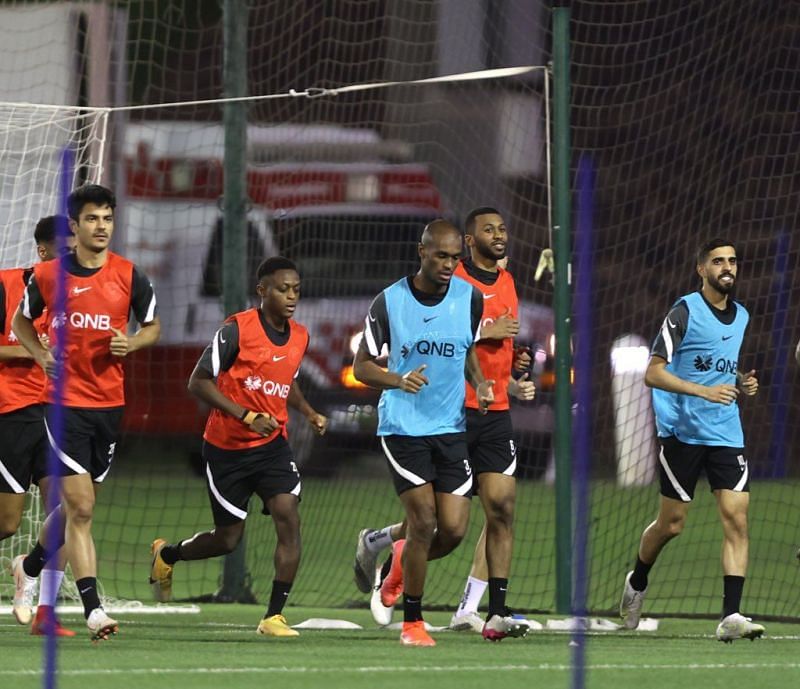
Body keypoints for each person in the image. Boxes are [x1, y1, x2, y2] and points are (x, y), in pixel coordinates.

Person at [353, 208, 535, 641]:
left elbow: (468, 349)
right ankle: (412, 623)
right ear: (422, 253)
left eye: (454, 258)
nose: (449, 265)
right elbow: (361, 366)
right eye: (441, 257)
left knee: (453, 530)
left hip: (451, 426)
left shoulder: (467, 299)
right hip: (403, 425)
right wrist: (398, 379)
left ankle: (390, 554)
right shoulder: (390, 301)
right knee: (423, 521)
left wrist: (483, 383)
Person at [12, 185, 161, 642]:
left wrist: (132, 342)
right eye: (93, 219)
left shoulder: (130, 276)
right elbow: (20, 321)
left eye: (108, 218)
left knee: (73, 507)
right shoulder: (49, 275)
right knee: (82, 507)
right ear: (74, 227)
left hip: (109, 407)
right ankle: (94, 609)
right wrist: (39, 354)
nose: (102, 227)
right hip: (64, 407)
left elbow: (152, 326)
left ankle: (29, 565)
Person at [149, 256, 327, 638]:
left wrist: (309, 412)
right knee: (227, 539)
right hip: (226, 448)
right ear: (263, 291)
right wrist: (246, 415)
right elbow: (198, 382)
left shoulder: (300, 336)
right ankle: (168, 555)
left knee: (288, 516)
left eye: (296, 289)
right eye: (283, 289)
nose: (291, 296)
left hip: (272, 446)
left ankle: (274, 616)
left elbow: (286, 382)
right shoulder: (237, 330)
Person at [619, 238, 764, 642]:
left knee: (737, 518)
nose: (727, 267)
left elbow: (719, 368)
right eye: (718, 261)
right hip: (682, 432)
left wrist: (740, 383)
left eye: (732, 260)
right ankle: (638, 580)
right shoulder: (683, 311)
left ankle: (731, 614)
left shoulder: (742, 316)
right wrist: (704, 392)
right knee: (672, 524)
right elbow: (653, 373)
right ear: (702, 270)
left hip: (725, 431)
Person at [2, 216, 76, 636]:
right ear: (44, 252)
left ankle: (45, 611)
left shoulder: (82, 297)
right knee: (8, 523)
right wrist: (31, 350)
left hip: (61, 413)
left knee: (64, 510)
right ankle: (21, 569)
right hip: (12, 412)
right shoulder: (8, 284)